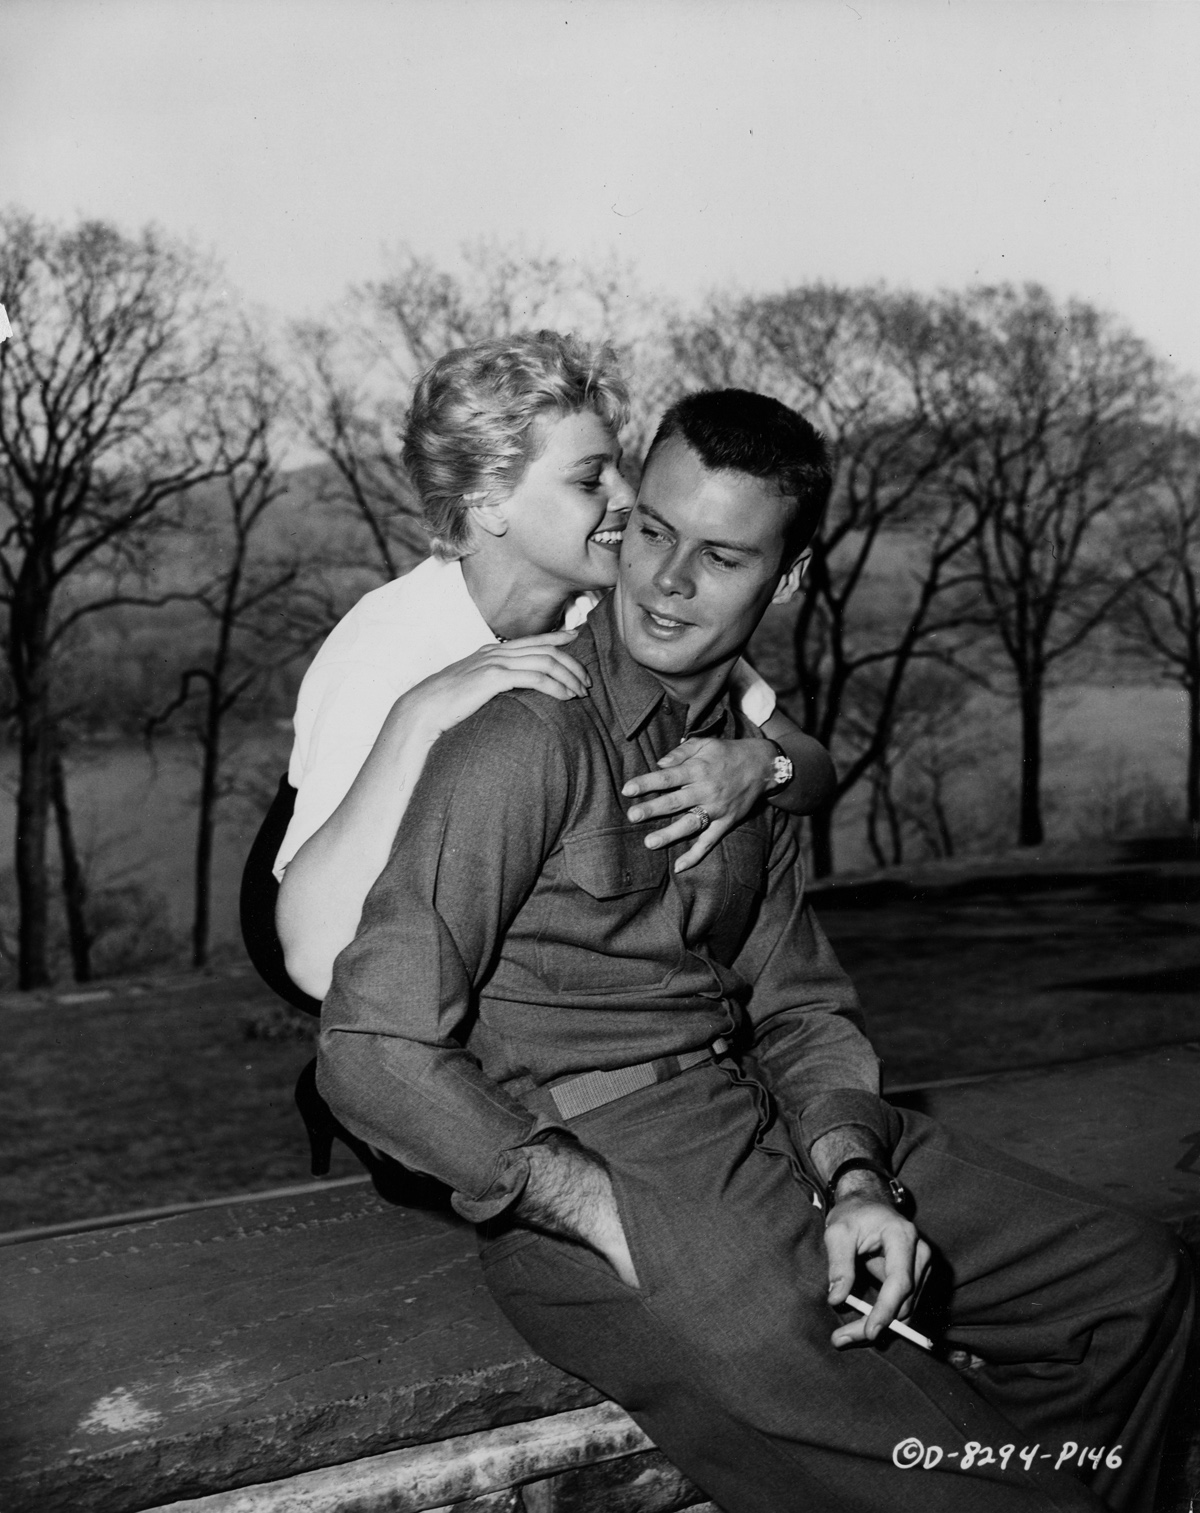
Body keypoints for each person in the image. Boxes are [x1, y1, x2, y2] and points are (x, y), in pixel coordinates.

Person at [317, 388, 1192, 1513]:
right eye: (653, 530)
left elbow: (799, 1011)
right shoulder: (523, 741)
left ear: (785, 580)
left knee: (1135, 1288)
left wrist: (860, 1179)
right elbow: (371, 1047)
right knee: (1002, 1494)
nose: (667, 581)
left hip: (766, 1125)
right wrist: (588, 1207)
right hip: (614, 1173)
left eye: (721, 557)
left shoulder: (743, 761)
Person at [266, 330, 835, 1005]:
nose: (628, 496)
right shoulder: (385, 651)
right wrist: (416, 716)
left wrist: (758, 766)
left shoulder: (611, 607)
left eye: (621, 467)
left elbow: (813, 768)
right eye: (591, 478)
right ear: (489, 499)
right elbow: (319, 955)